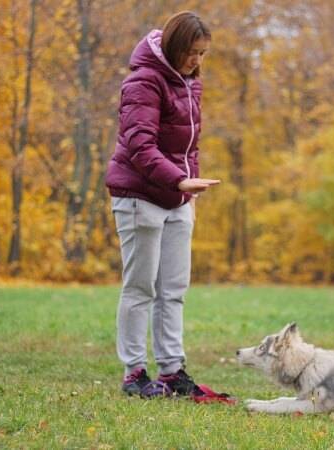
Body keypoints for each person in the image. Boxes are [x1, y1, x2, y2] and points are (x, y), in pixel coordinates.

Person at [105, 11, 219, 398]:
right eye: (192, 52)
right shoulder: (143, 81)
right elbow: (140, 146)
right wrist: (179, 180)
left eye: (203, 54)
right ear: (173, 47)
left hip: (177, 200)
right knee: (140, 289)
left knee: (173, 290)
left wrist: (188, 194)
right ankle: (134, 373)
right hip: (140, 198)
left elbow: (189, 147)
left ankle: (172, 371)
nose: (197, 61)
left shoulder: (190, 84)